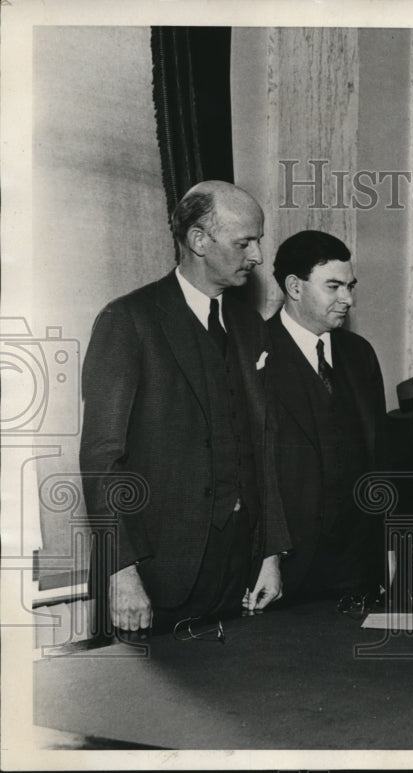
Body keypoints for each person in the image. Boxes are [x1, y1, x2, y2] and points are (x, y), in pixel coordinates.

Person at [80, 180, 291, 634]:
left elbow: (262, 444)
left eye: (258, 241)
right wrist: (121, 573)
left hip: (238, 570)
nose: (256, 257)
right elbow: (102, 460)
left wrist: (270, 552)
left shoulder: (248, 323)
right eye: (245, 243)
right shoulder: (128, 320)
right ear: (199, 240)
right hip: (155, 575)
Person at [267, 230, 388, 603]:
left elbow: (380, 459)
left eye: (349, 286)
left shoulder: (360, 354)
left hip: (358, 570)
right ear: (295, 286)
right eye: (333, 286)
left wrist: (389, 553)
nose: (347, 299)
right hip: (291, 573)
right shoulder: (254, 352)